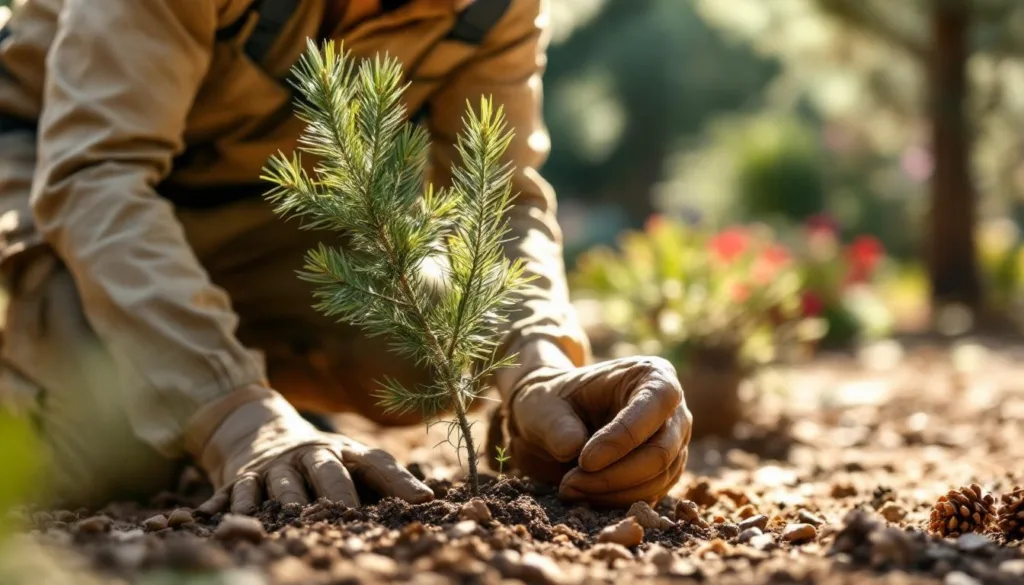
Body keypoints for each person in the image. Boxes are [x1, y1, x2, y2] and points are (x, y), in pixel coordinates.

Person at [0, 0, 692, 512]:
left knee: (425, 352)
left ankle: (237, 388)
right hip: (50, 184)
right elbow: (96, 174)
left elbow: (500, 196)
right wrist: (236, 417)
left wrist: (540, 368)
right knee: (91, 455)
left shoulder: (493, 10)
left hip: (273, 213)